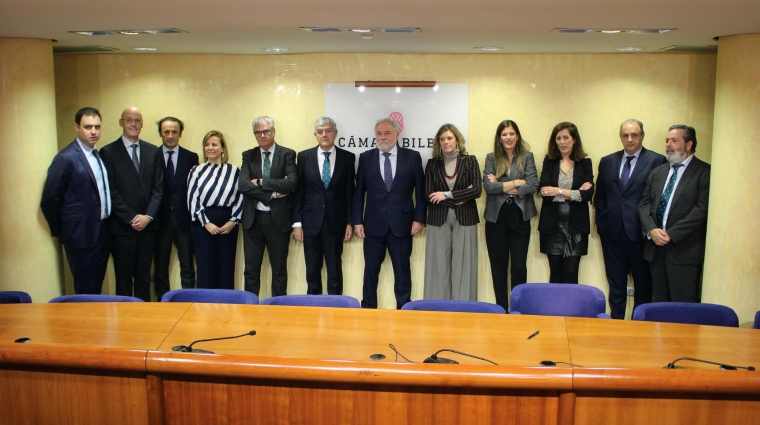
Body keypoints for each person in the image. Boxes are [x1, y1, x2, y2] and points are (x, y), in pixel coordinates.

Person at [595, 119, 667, 319]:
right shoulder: (608, 161)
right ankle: (616, 323)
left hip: (640, 234)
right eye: (625, 135)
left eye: (634, 135)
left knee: (643, 286)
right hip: (612, 234)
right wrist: (602, 221)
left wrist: (651, 227)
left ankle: (640, 326)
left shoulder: (657, 161)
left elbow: (658, 200)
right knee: (616, 285)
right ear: (620, 137)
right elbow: (600, 196)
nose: (630, 139)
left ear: (642, 136)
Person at [352, 118, 426, 309]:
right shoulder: (366, 158)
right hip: (373, 226)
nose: (382, 137)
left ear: (396, 134)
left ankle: (404, 310)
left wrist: (419, 219)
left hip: (402, 225)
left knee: (402, 273)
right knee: (370, 272)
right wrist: (357, 221)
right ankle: (368, 310)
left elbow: (420, 191)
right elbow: (359, 192)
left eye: (387, 133)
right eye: (379, 133)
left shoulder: (412, 157)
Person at [41, 107, 111, 294]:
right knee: (85, 288)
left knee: (96, 286)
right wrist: (65, 231)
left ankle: (95, 322)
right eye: (88, 127)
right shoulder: (65, 158)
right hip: (80, 235)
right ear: (77, 128)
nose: (94, 131)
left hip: (102, 232)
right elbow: (49, 199)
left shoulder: (98, 155)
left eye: (97, 126)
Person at [639, 125, 710, 303]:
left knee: (682, 309)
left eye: (674, 140)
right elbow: (644, 205)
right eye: (667, 140)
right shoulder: (657, 173)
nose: (668, 145)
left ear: (689, 144)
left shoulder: (704, 172)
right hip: (655, 250)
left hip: (684, 252)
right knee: (660, 306)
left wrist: (671, 234)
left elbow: (702, 210)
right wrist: (652, 230)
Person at [100, 106, 163, 301]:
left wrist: (147, 217)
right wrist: (131, 217)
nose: (133, 124)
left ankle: (144, 322)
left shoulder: (153, 151)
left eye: (137, 120)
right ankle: (125, 324)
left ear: (142, 124)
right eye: (129, 120)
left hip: (147, 228)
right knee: (123, 280)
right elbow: (110, 191)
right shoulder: (108, 152)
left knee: (144, 279)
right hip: (122, 229)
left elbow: (158, 188)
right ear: (121, 123)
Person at [292, 117, 355, 295]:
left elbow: (350, 192)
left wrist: (349, 221)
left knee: (335, 270)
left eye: (328, 131)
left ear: (335, 133)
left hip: (336, 222)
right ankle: (313, 308)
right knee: (312, 271)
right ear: (315, 135)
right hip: (310, 223)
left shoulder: (348, 158)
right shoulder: (304, 157)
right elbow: (299, 192)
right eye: (320, 132)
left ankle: (336, 310)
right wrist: (297, 223)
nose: (324, 135)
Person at [239, 116, 297, 297]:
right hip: (253, 220)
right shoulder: (248, 155)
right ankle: (250, 309)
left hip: (278, 221)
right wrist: (271, 193)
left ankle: (279, 310)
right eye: (258, 132)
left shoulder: (287, 154)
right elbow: (243, 185)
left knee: (279, 271)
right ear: (255, 135)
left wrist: (261, 182)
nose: (263, 135)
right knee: (251, 271)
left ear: (273, 132)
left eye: (266, 131)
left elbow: (292, 184)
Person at [483, 120, 538, 311]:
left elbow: (532, 185)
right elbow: (489, 187)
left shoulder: (527, 156)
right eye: (504, 134)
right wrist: (517, 182)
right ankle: (501, 310)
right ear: (499, 138)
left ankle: (517, 309)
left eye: (511, 134)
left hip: (520, 215)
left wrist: (503, 184)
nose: (508, 137)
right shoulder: (491, 158)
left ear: (517, 136)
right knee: (498, 268)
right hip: (496, 218)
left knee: (518, 267)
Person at [423, 124, 481, 301]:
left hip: (465, 218)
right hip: (438, 218)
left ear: (457, 139)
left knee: (464, 266)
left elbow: (477, 190)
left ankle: (464, 308)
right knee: (438, 265)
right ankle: (437, 307)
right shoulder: (432, 164)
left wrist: (447, 195)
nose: (446, 142)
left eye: (449, 138)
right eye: (442, 139)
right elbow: (429, 195)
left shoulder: (470, 161)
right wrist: (462, 195)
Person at [187, 131, 244, 289]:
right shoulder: (196, 171)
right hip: (203, 224)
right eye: (207, 144)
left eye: (214, 144)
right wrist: (206, 223)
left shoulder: (234, 171)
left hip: (228, 224)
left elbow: (241, 197)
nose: (210, 148)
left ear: (223, 148)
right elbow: (193, 199)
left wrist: (233, 221)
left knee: (226, 266)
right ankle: (204, 308)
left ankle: (226, 308)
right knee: (206, 267)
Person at [538, 122, 594, 284]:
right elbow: (545, 193)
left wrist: (558, 191)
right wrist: (575, 193)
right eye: (558, 138)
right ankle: (555, 310)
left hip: (576, 227)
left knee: (571, 272)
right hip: (552, 227)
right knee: (555, 273)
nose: (562, 142)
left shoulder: (585, 163)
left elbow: (587, 194)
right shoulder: (549, 162)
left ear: (574, 139)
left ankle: (571, 310)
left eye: (566, 138)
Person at [154, 117, 199, 300]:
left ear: (180, 133)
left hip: (184, 218)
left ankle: (189, 301)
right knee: (160, 267)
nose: (170, 136)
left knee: (187, 266)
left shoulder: (191, 157)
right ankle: (163, 302)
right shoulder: (152, 155)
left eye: (174, 131)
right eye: (166, 132)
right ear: (161, 134)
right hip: (160, 219)